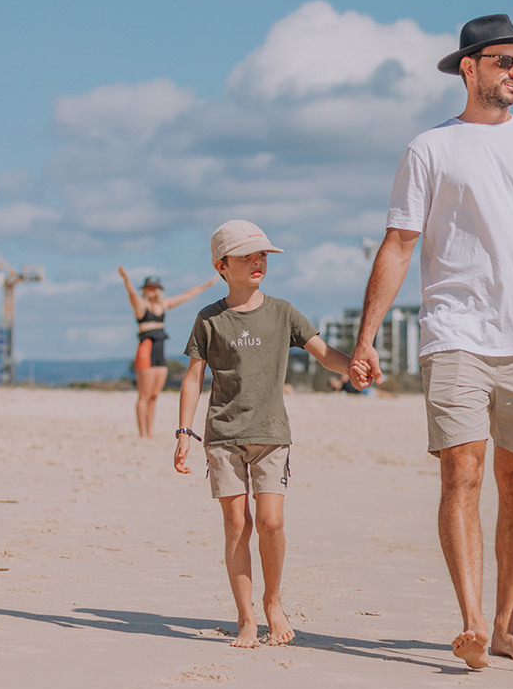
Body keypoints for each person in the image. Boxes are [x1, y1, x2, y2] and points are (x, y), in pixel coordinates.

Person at [350, 13, 513, 671]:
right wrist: (367, 335)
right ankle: (469, 621)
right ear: (469, 67)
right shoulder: (429, 149)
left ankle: (506, 622)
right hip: (455, 330)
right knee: (461, 471)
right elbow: (400, 243)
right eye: (503, 61)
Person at [173, 220, 358, 647]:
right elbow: (193, 378)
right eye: (246, 256)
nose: (258, 262)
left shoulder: (283, 312)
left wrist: (355, 367)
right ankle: (246, 618)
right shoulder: (209, 319)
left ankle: (273, 602)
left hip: (271, 433)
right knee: (237, 523)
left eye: (262, 255)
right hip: (222, 435)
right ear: (222, 265)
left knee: (271, 522)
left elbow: (324, 353)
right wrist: (184, 431)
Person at [117, 265, 217, 437]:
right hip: (146, 350)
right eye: (148, 288)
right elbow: (132, 295)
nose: (151, 291)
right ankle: (143, 433)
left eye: (154, 288)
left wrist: (208, 283)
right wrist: (126, 280)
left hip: (160, 351)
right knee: (145, 394)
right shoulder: (141, 306)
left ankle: (150, 431)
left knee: (154, 394)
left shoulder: (163, 305)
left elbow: (186, 295)